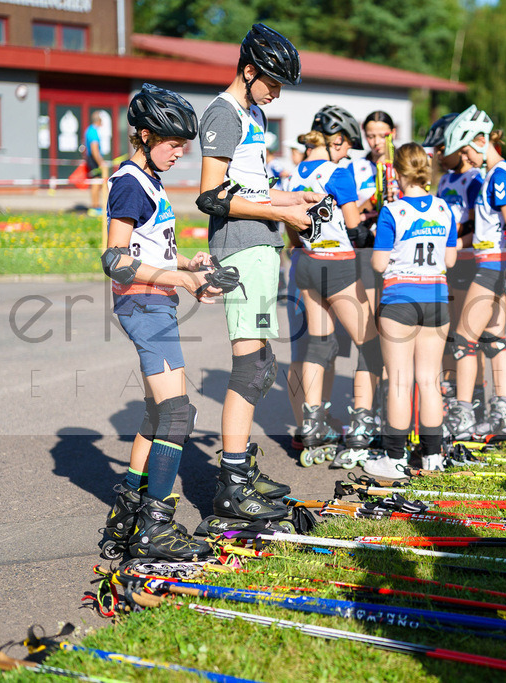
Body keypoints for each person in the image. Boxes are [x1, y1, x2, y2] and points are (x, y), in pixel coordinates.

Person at [196, 23, 322, 525]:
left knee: (263, 363)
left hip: (263, 245)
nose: (276, 93)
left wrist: (294, 200)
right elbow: (211, 195)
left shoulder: (250, 112)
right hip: (241, 250)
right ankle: (231, 485)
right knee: (249, 367)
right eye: (272, 82)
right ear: (248, 70)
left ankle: (242, 468)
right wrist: (286, 216)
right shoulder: (223, 113)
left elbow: (251, 188)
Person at [97, 84, 220, 562]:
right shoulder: (130, 181)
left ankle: (129, 508)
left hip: (155, 300)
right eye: (173, 142)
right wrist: (180, 281)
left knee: (156, 413)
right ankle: (155, 526)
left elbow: (149, 248)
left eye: (184, 143)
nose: (181, 151)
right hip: (144, 305)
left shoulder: (149, 180)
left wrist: (188, 266)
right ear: (145, 136)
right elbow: (114, 259)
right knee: (177, 415)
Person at [287, 106, 383, 458]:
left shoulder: (294, 174)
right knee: (370, 343)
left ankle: (311, 424)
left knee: (319, 343)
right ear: (336, 140)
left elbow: (290, 224)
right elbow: (355, 227)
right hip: (338, 265)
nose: (347, 154)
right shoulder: (338, 173)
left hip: (307, 263)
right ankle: (362, 422)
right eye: (346, 146)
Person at [366, 142, 457, 478]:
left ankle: (394, 458)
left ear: (398, 173)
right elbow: (449, 259)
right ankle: (433, 457)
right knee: (429, 381)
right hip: (435, 298)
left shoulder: (393, 211)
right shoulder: (445, 209)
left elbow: (378, 263)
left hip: (400, 299)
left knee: (401, 381)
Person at [441, 106, 506, 439]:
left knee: (463, 341)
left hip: (493, 266)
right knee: (493, 339)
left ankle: (462, 415)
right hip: (492, 263)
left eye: (465, 151)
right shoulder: (491, 174)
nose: (465, 158)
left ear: (479, 140)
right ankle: (504, 414)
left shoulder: (500, 174)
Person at [422, 113, 487, 418]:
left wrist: (454, 241)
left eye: (439, 149)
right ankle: (451, 389)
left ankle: (475, 396)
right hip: (447, 262)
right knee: (448, 333)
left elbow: (476, 222)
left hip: (467, 259)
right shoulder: (446, 178)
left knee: (469, 334)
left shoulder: (473, 178)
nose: (435, 156)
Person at [351, 110, 398, 312]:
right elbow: (350, 209)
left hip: (399, 244)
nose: (376, 142)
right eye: (370, 136)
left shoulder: (404, 163)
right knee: (370, 310)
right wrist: (373, 200)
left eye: (383, 136)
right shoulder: (356, 167)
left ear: (393, 133)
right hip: (368, 244)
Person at [84, 112, 108, 217]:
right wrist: (101, 163)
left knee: (97, 182)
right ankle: (95, 206)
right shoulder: (93, 132)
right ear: (98, 120)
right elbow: (94, 150)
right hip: (93, 160)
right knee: (96, 182)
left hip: (91, 159)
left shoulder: (89, 130)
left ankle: (96, 206)